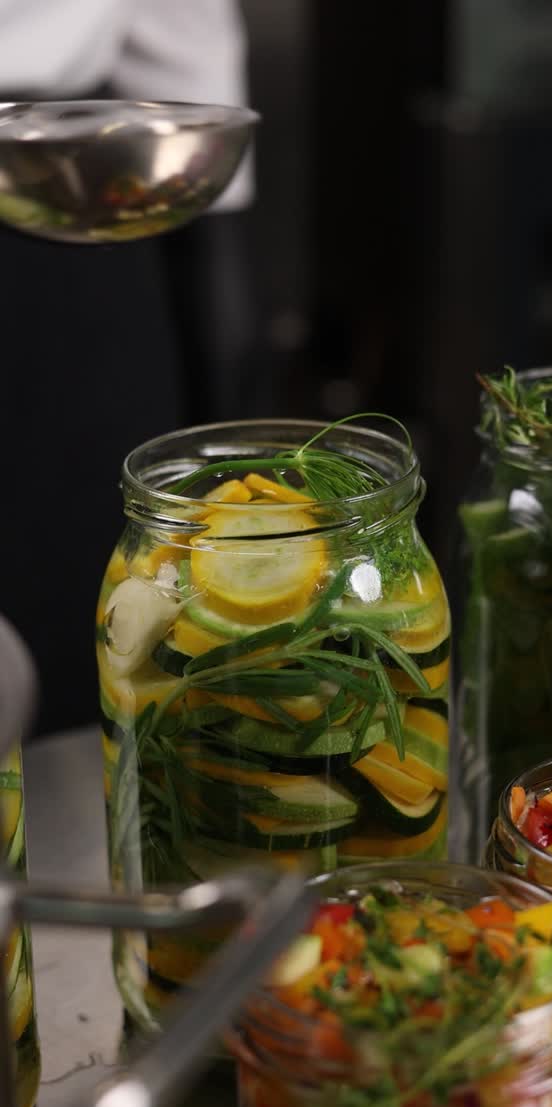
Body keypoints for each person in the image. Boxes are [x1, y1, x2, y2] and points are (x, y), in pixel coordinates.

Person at [0, 0, 258, 733]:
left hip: (60, 202)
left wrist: (216, 259)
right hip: (60, 212)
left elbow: (180, 30)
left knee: (81, 628)